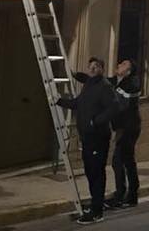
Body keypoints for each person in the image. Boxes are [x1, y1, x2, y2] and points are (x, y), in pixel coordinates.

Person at [56, 57, 119, 225]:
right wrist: (59, 101)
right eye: (90, 66)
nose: (92, 69)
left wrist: (95, 121)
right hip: (87, 137)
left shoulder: (105, 87)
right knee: (91, 171)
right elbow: (78, 103)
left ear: (102, 69)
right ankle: (95, 204)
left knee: (97, 172)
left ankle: (97, 211)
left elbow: (113, 107)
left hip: (98, 137)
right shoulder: (89, 85)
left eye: (96, 66)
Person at [106, 60, 141, 209]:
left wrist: (113, 90)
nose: (119, 64)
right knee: (126, 160)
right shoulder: (116, 81)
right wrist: (76, 75)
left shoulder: (133, 83)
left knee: (118, 160)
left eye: (124, 64)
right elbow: (99, 81)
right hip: (122, 127)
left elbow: (124, 101)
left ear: (128, 71)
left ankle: (123, 194)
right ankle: (130, 194)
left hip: (129, 128)